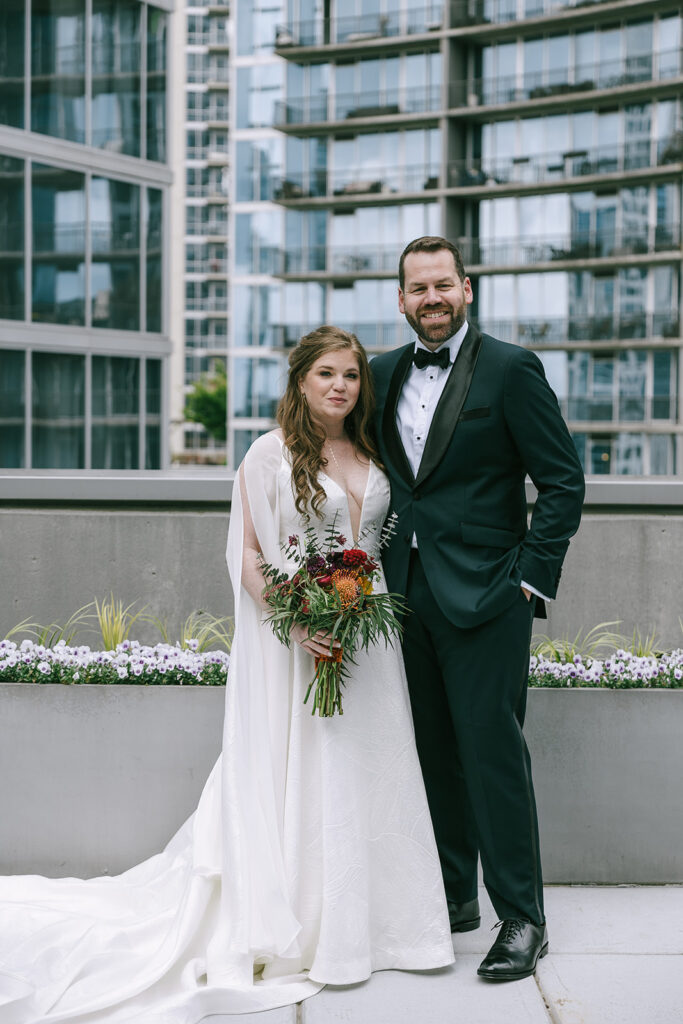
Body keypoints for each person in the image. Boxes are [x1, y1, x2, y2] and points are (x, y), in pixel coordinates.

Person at [0, 325, 454, 1023]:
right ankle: (308, 923)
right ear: (301, 381)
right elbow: (245, 551)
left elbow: (375, 543)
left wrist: (350, 610)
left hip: (369, 642)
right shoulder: (269, 454)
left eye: (353, 376)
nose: (341, 386)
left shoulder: (369, 450)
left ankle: (376, 925)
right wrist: (297, 619)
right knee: (310, 765)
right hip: (300, 639)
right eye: (327, 374)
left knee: (370, 766)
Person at [370, 237, 585, 982]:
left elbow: (561, 483)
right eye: (415, 288)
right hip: (401, 595)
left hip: (489, 595)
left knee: (492, 757)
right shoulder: (379, 373)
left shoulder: (510, 369)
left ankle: (522, 918)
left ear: (466, 290)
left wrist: (528, 580)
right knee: (428, 752)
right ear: (399, 300)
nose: (429, 298)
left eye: (442, 285)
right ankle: (453, 897)